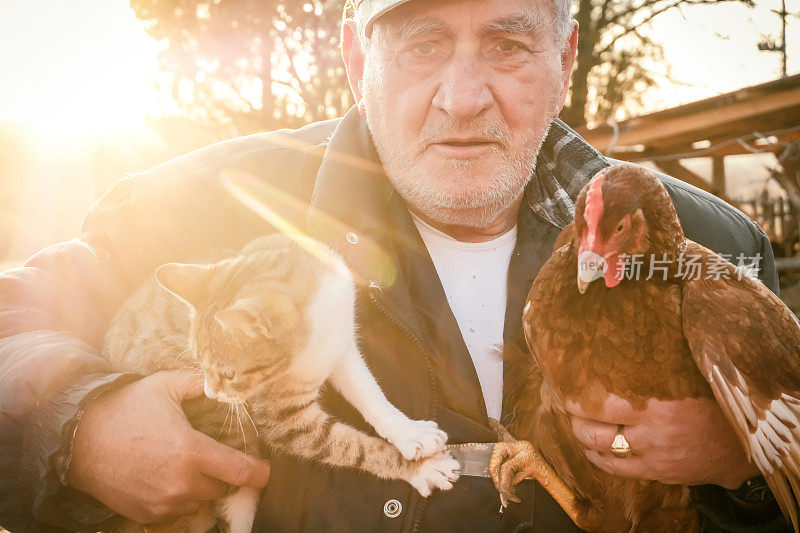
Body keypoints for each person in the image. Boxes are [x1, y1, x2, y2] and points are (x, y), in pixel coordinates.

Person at [0, 0, 790, 531]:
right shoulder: (198, 205)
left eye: (509, 44)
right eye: (423, 44)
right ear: (355, 57)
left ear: (564, 59)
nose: (463, 96)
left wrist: (740, 465)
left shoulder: (716, 245)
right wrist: (77, 420)